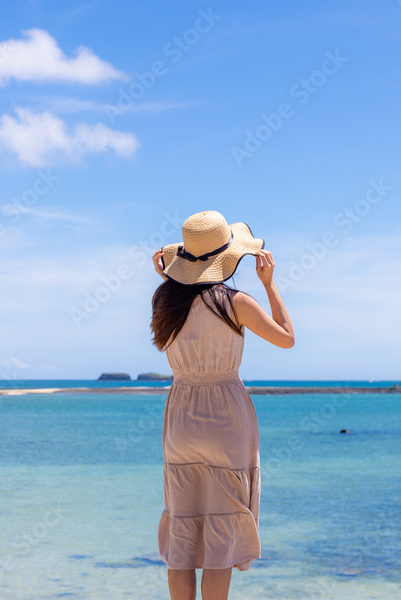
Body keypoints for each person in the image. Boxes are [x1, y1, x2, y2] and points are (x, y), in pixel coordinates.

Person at [150, 210, 294, 600]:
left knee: (183, 527)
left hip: (180, 416)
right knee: (220, 534)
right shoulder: (235, 302)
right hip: (225, 418)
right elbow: (286, 338)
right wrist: (269, 283)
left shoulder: (163, 302)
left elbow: (186, 299)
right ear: (228, 259)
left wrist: (167, 280)